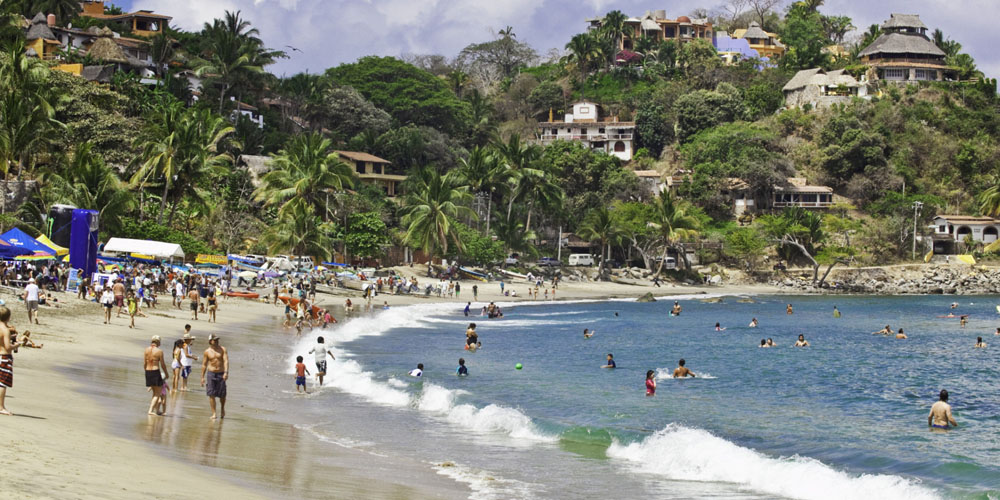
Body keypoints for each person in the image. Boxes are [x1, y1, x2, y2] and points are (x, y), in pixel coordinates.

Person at [200, 334, 229, 420]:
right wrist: (202, 377)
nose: (216, 341)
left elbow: (226, 361)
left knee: (222, 394)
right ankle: (214, 413)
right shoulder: (207, 351)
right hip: (211, 373)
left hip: (221, 373)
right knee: (211, 394)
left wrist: (226, 372)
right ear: (210, 341)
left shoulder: (223, 349)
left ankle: (222, 409)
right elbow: (204, 365)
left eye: (217, 340)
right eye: (214, 340)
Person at [143, 336, 169, 416]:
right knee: (157, 393)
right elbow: (163, 365)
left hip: (148, 371)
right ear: (158, 342)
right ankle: (150, 410)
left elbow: (144, 363)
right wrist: (166, 373)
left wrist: (146, 371)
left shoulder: (146, 350)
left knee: (154, 393)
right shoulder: (159, 351)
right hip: (155, 371)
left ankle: (157, 410)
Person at [0, 306, 17, 415]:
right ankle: (1, 407)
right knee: (2, 383)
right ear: (8, 317)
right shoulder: (5, 330)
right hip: (4, 357)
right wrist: (16, 345)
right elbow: (7, 347)